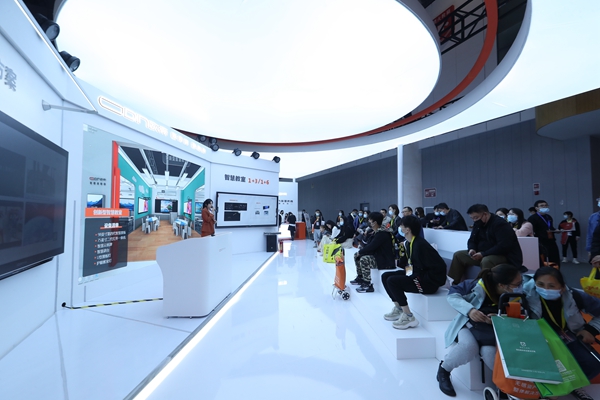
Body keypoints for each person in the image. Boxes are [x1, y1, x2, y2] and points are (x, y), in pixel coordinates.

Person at [436, 264, 522, 397]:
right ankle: (444, 370)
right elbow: (452, 296)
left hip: (493, 331)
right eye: (517, 284)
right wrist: (470, 310)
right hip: (467, 325)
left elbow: (520, 316)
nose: (520, 286)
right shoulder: (474, 285)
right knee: (469, 347)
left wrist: (498, 318)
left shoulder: (516, 296)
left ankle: (504, 388)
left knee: (489, 353)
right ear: (502, 285)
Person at [523, 267, 600, 400]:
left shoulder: (575, 296)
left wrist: (590, 330)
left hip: (566, 336)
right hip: (538, 339)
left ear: (562, 287)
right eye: (540, 284)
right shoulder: (523, 295)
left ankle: (572, 385)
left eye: (551, 286)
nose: (545, 289)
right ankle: (547, 391)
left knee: (593, 364)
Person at [381, 215, 446, 329]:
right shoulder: (410, 243)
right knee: (385, 276)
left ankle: (408, 316)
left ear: (407, 229)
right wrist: (409, 274)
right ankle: (399, 308)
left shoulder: (421, 245)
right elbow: (413, 265)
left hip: (428, 283)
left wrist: (416, 277)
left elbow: (439, 267)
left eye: (401, 226)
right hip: (418, 275)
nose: (400, 228)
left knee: (392, 281)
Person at [448, 204, 522, 284]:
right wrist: (472, 249)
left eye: (476, 217)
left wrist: (483, 254)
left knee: (486, 261)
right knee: (458, 255)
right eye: (472, 218)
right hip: (482, 253)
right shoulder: (478, 224)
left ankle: (484, 286)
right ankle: (452, 283)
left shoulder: (500, 224)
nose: (474, 220)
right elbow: (472, 239)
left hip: (504, 255)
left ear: (485, 214)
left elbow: (503, 246)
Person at [350, 212, 395, 293]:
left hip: (385, 261)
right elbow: (368, 244)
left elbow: (371, 247)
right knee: (357, 255)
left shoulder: (382, 233)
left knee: (364, 259)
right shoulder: (375, 232)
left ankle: (367, 284)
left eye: (370, 220)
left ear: (375, 222)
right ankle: (360, 277)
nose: (368, 222)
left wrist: (360, 252)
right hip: (378, 256)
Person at [528, 200, 561, 267]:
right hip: (540, 242)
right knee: (543, 259)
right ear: (536, 208)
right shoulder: (532, 218)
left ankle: (555, 270)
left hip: (551, 240)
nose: (544, 207)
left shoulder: (548, 217)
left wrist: (555, 230)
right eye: (542, 206)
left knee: (554, 257)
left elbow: (550, 227)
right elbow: (531, 231)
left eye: (546, 205)